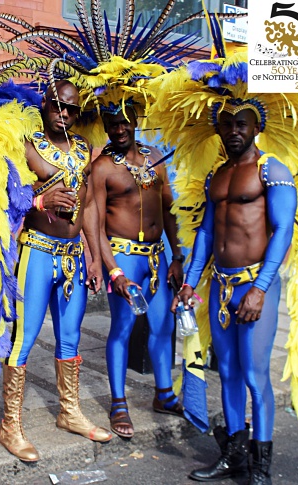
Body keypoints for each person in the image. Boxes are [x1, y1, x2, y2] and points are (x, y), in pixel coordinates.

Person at [172, 106, 297, 484]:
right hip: (221, 286)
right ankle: (233, 456)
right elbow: (207, 234)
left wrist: (259, 290)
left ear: (257, 127)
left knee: (256, 376)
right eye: (225, 124)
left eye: (241, 124)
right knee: (227, 372)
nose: (233, 131)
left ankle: (261, 467)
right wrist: (190, 283)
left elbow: (282, 231)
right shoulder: (218, 173)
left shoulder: (271, 171)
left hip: (254, 285)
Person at [0, 80, 112, 462]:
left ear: (79, 113)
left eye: (72, 109)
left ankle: (70, 412)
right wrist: (39, 199)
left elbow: (92, 206)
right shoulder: (26, 144)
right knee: (24, 339)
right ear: (45, 105)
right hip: (37, 253)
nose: (64, 113)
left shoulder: (84, 150)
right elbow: (5, 194)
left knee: (70, 338)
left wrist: (95, 257)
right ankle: (9, 425)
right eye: (58, 106)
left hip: (73, 256)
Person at [90, 107, 184, 439]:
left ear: (135, 121)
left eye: (123, 122)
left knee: (163, 325)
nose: (118, 129)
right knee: (123, 328)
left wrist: (178, 256)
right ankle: (118, 403)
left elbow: (169, 209)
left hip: (158, 256)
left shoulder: (155, 156)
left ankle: (164, 393)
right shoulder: (102, 168)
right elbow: (96, 225)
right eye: (111, 123)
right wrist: (113, 271)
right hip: (124, 257)